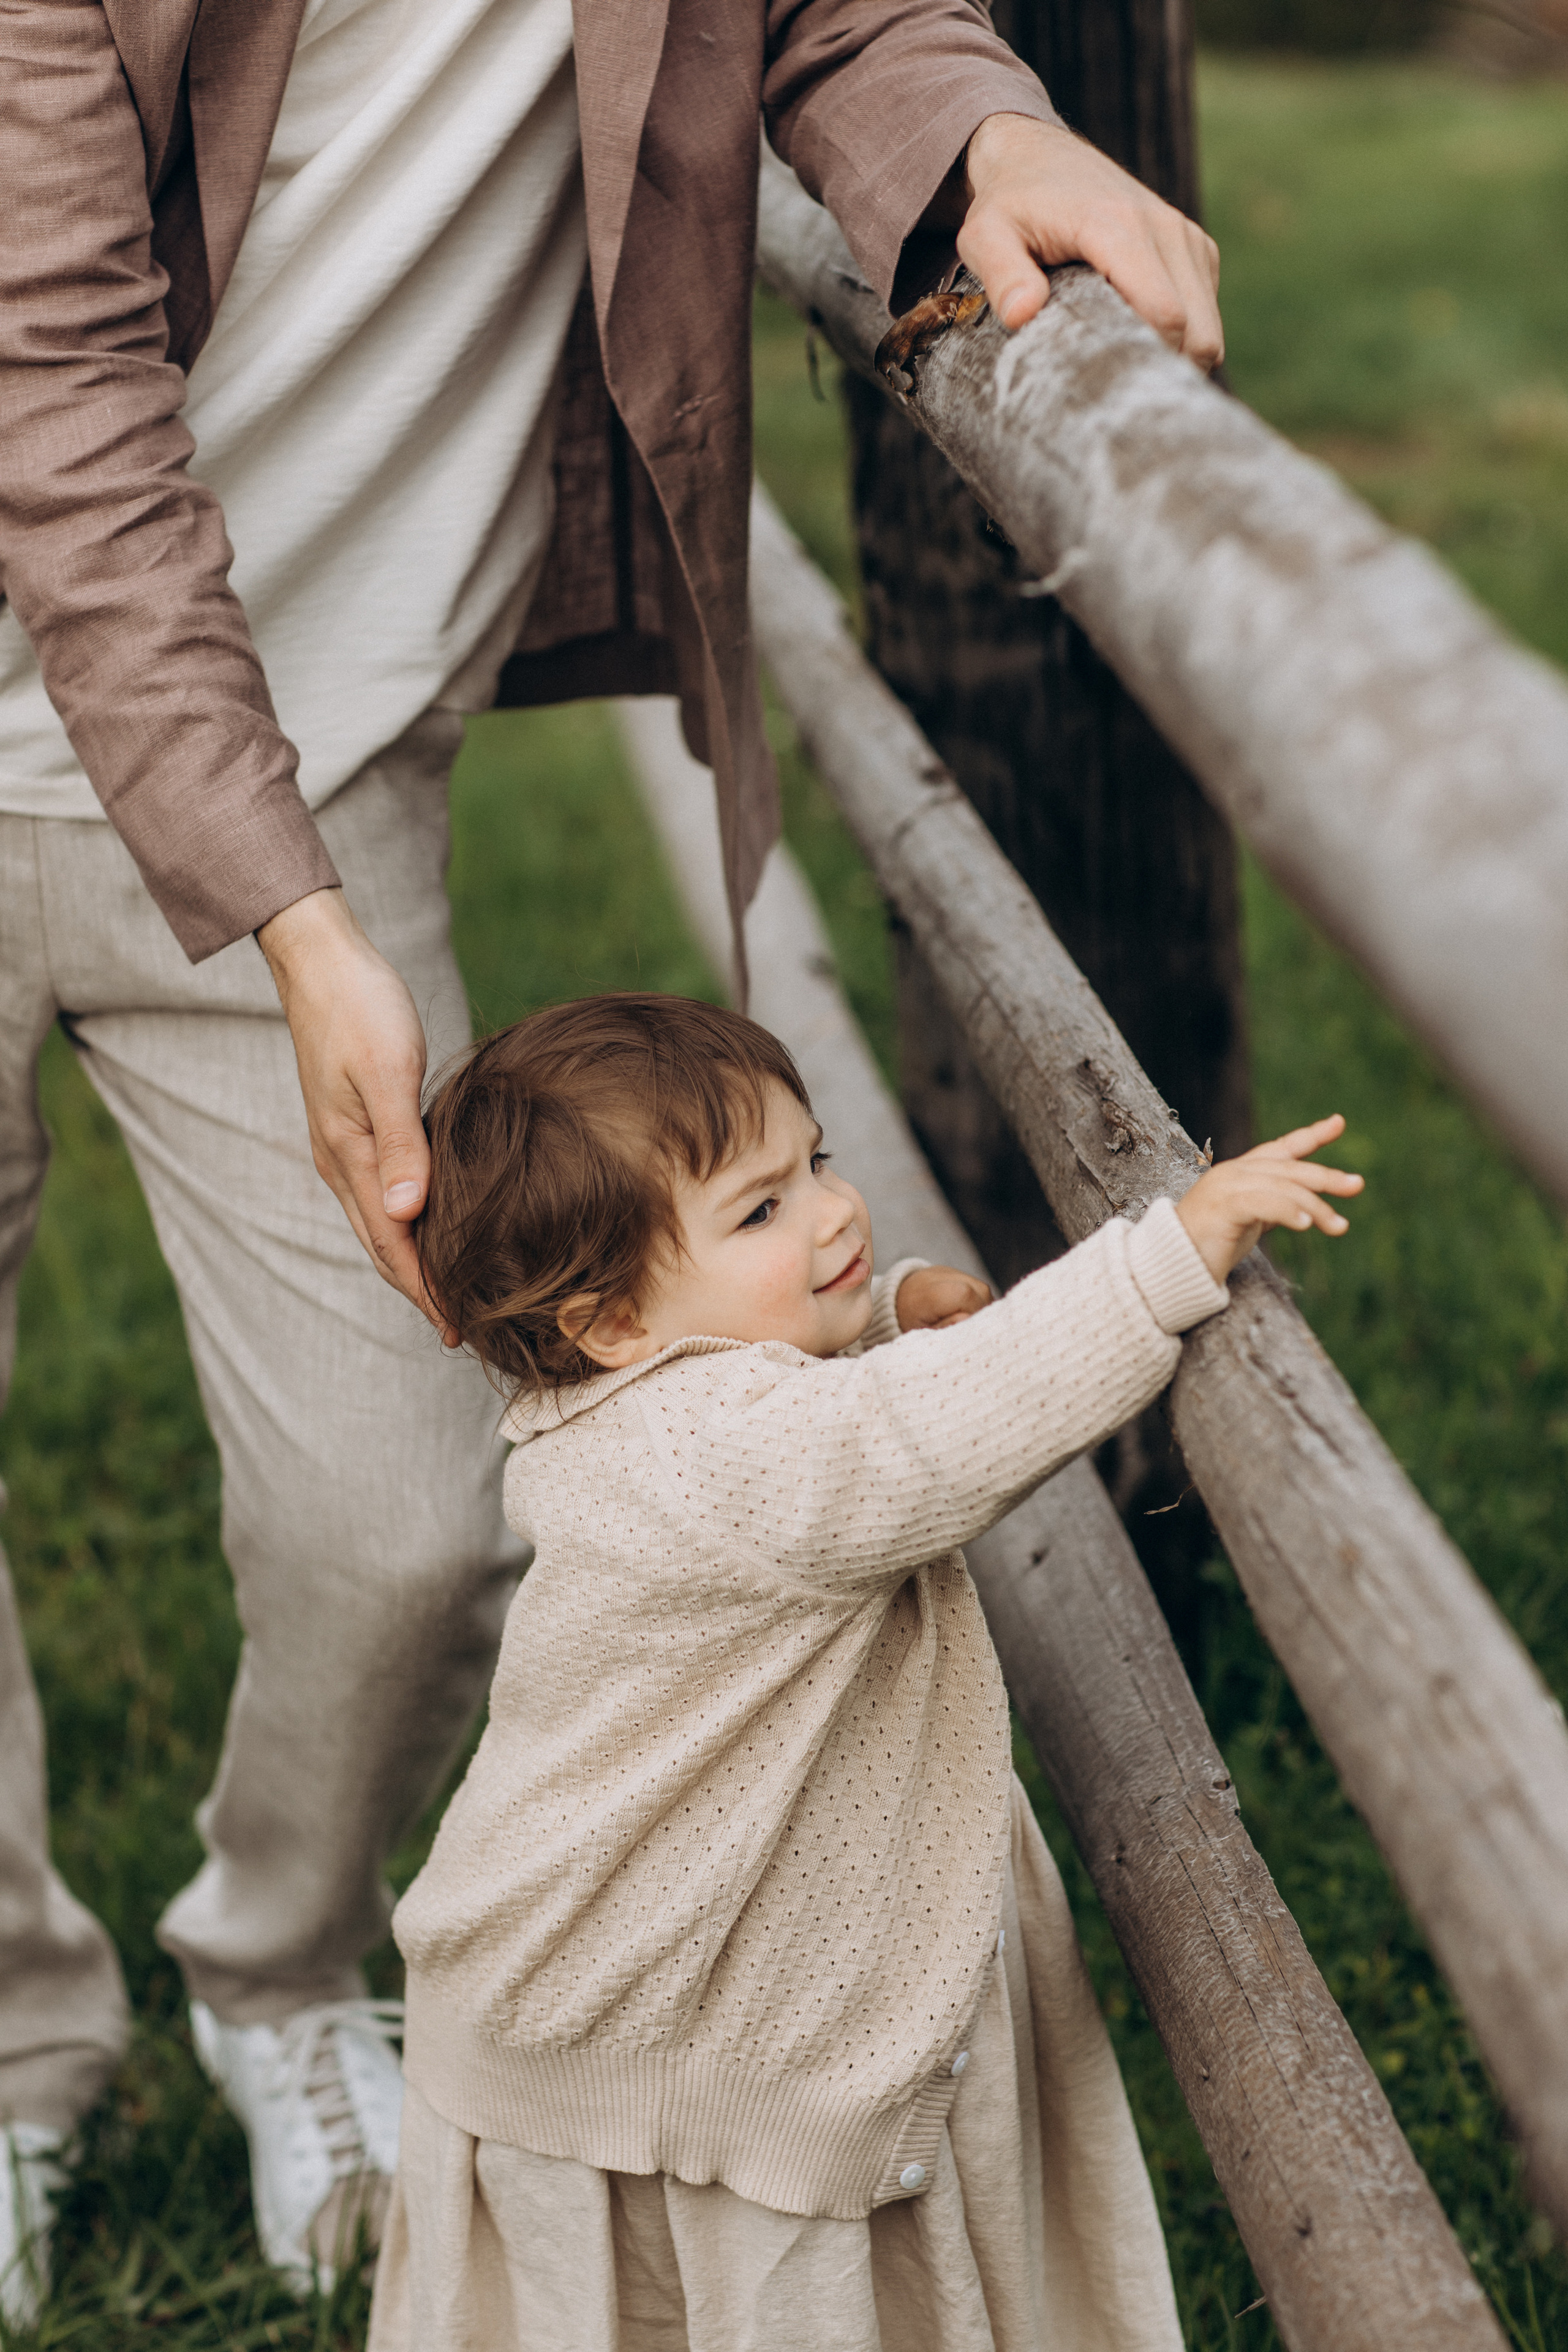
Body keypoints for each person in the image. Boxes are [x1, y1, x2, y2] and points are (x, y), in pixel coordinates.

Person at [0, 0, 1225, 2314]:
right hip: (240, 819)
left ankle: (278, 1975)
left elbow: (844, 15)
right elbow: (52, 391)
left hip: (327, 769)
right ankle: (6, 2044)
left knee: (399, 1513)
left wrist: (982, 139)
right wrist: (286, 908)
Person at [364, 995, 1362, 2352]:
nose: (833, 1215)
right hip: (647, 2031)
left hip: (587, 1994)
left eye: (816, 1164)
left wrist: (883, 1312)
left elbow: (772, 1390)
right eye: (761, 1212)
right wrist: (1163, 1256)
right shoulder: (727, 1463)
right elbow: (918, 1440)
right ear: (604, 1319)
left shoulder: (629, 1410)